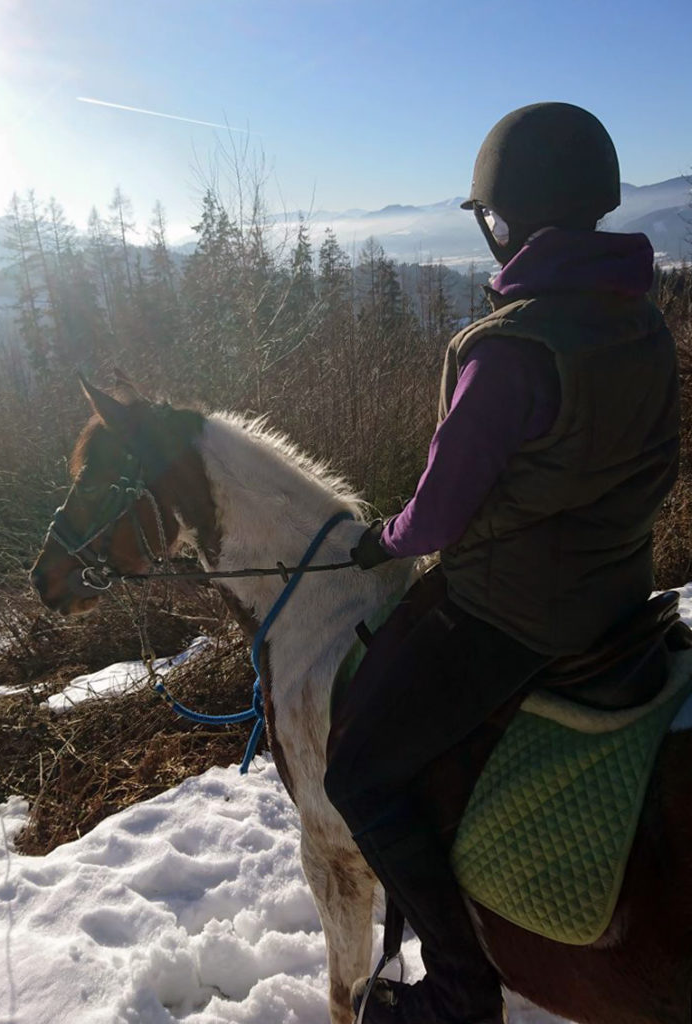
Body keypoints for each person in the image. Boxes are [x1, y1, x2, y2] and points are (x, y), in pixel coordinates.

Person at [323, 102, 680, 1024]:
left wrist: (387, 536)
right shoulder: (641, 323)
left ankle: (457, 989)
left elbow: (439, 513)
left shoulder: (511, 349)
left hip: (511, 612)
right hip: (617, 593)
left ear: (508, 217)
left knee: (358, 769)